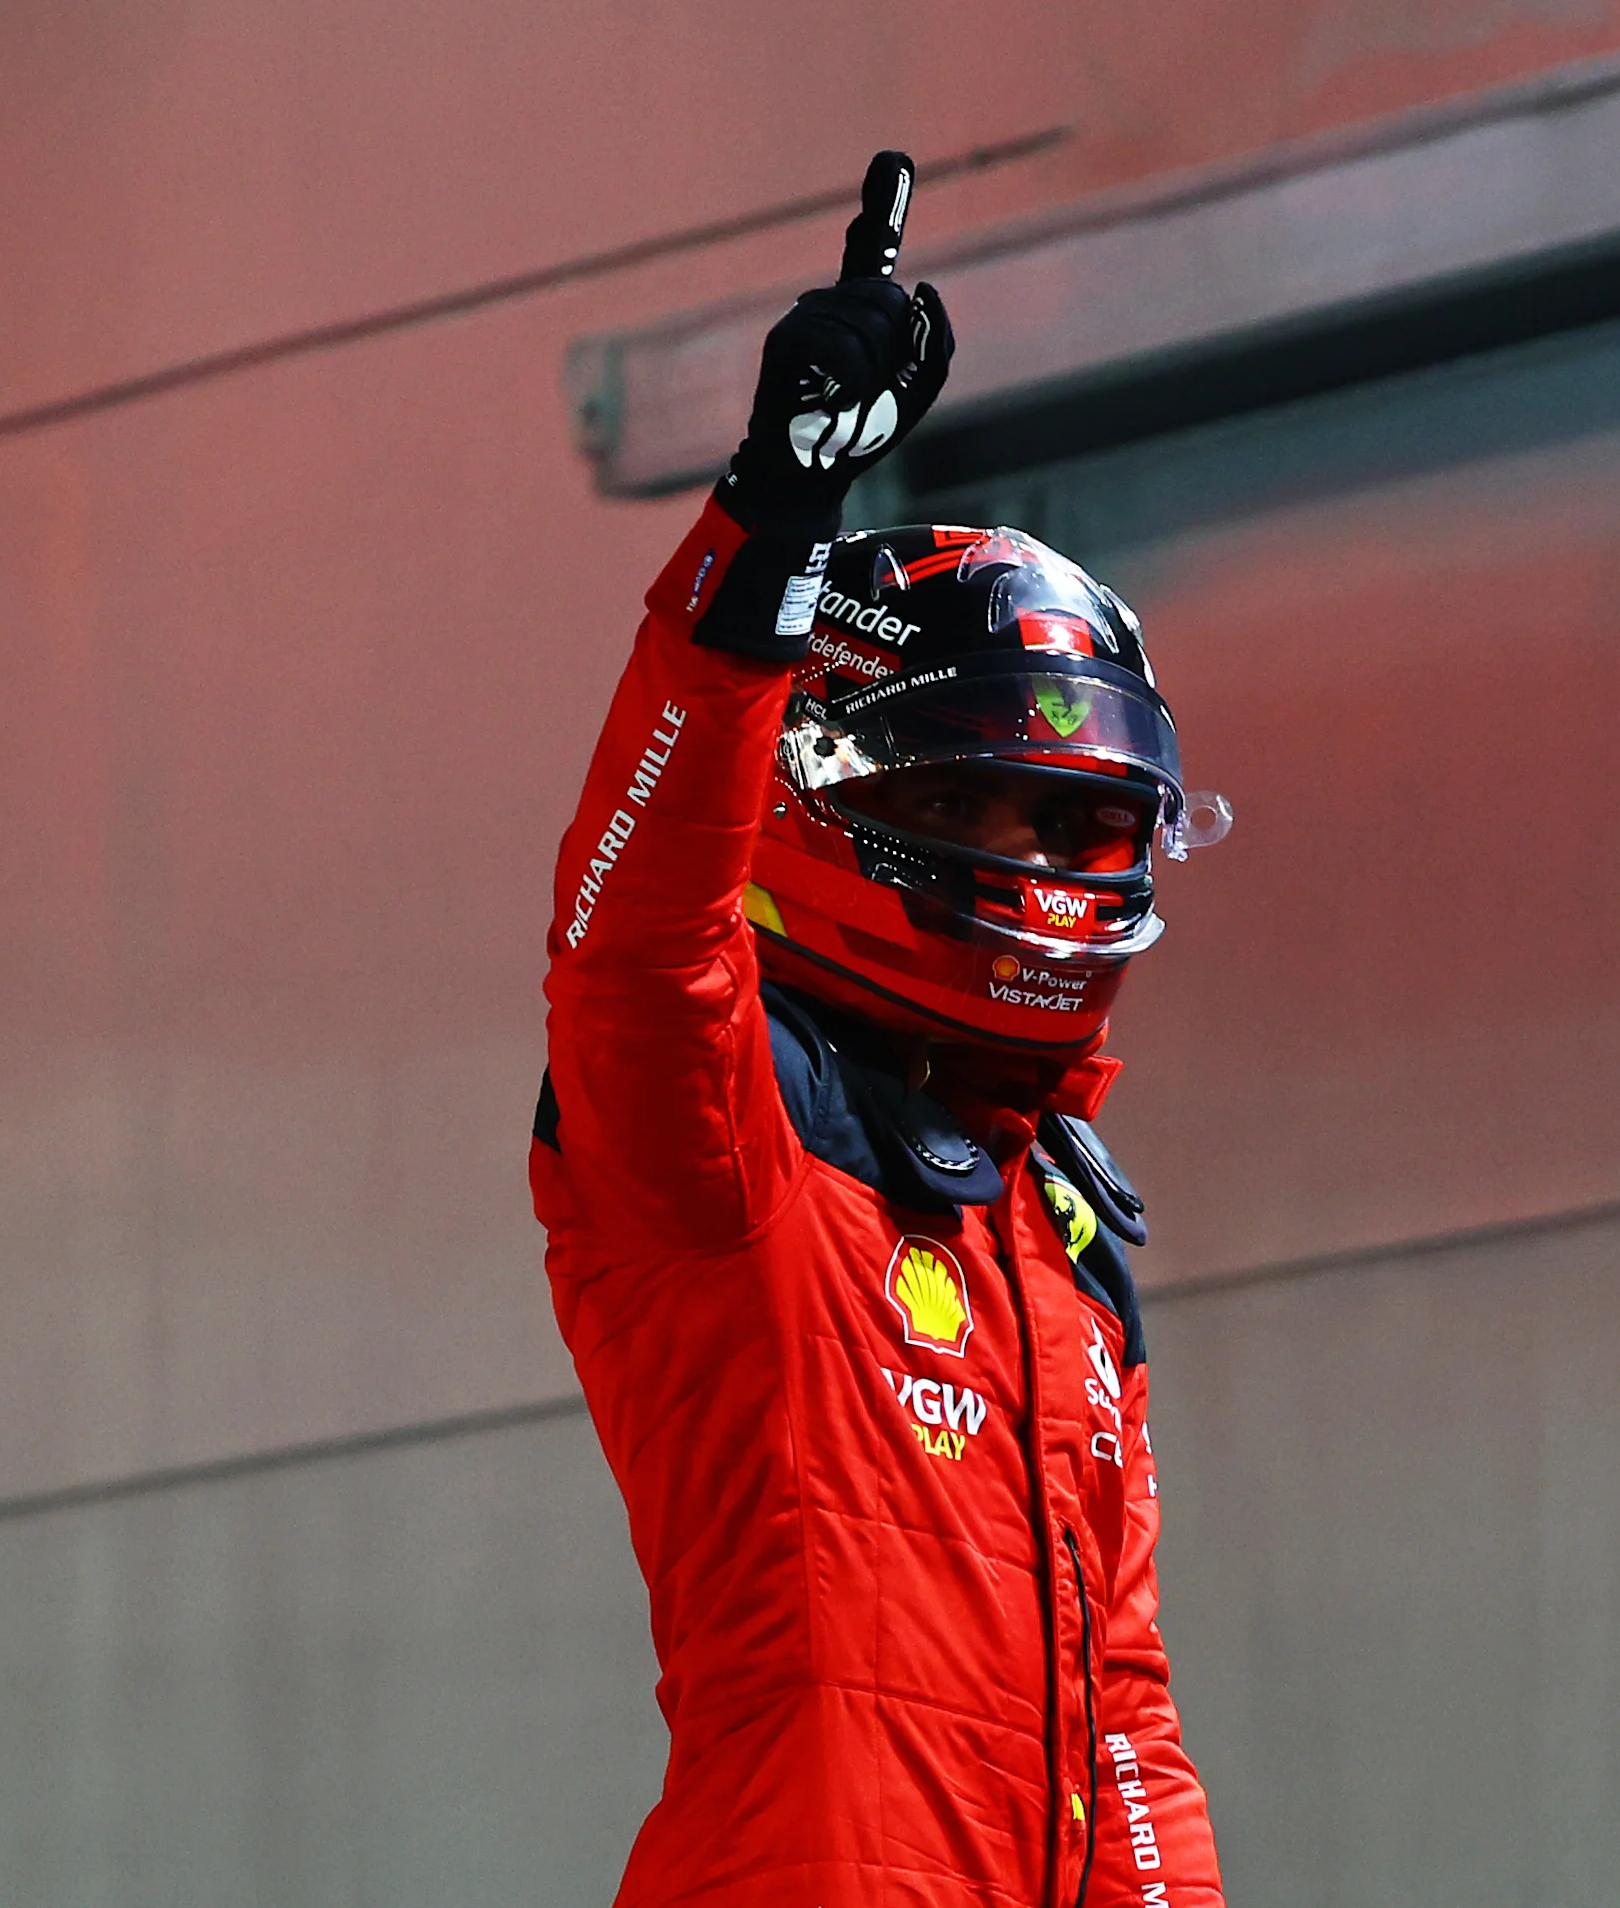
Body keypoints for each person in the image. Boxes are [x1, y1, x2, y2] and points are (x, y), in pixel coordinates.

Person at [532, 152, 1230, 1908]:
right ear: (854, 795)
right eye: (1014, 812)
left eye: (1094, 829)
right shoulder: (719, 1136)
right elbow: (637, 941)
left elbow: (1126, 1729)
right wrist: (767, 524)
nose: (1062, 870)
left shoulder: (1064, 1227)